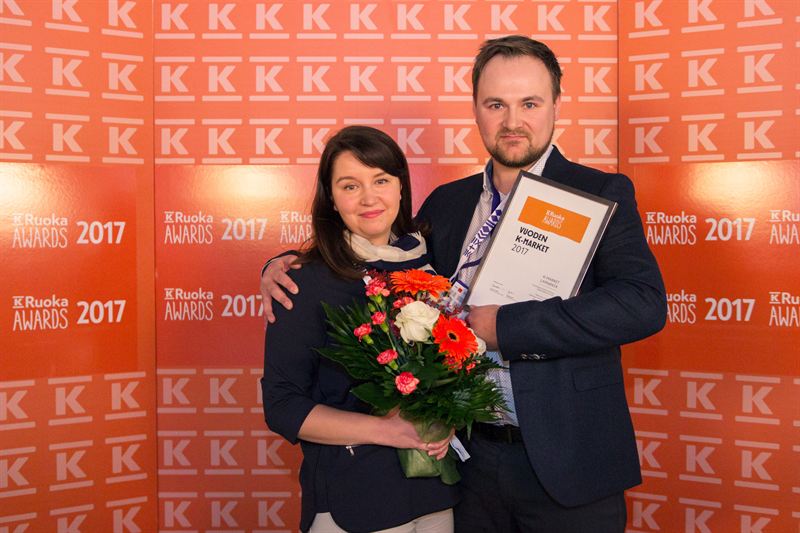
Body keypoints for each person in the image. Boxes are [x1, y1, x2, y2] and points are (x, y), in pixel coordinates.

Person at [262, 36, 667, 533]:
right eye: (496, 104)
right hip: (467, 464)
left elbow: (642, 304)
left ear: (557, 105)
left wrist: (507, 327)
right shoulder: (447, 203)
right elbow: (384, 258)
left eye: (529, 103)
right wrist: (283, 264)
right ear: (475, 110)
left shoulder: (598, 192)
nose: (512, 121)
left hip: (569, 462)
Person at [261, 125, 458, 533]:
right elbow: (282, 406)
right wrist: (387, 431)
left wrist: (448, 417)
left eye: (381, 180)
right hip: (354, 500)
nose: (369, 198)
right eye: (350, 186)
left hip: (436, 495)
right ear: (331, 199)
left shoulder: (429, 269)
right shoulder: (304, 282)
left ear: (401, 187)